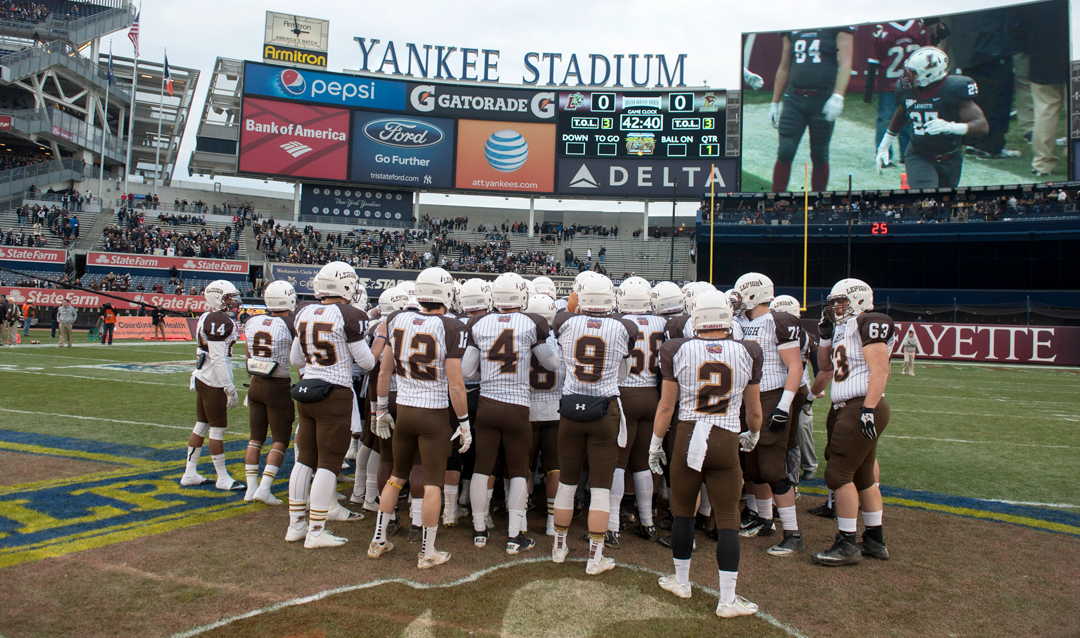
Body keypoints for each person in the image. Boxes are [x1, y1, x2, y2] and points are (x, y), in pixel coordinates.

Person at [649, 290, 763, 617]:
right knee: (727, 516)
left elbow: (667, 406)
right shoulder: (747, 351)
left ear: (695, 317)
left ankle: (681, 581)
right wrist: (753, 434)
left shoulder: (677, 348)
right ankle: (727, 598)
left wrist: (656, 444)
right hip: (725, 436)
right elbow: (754, 412)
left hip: (687, 435)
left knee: (683, 510)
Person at [368, 267, 471, 569]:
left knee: (396, 476)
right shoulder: (451, 326)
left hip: (404, 409)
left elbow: (384, 371)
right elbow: (455, 383)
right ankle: (427, 551)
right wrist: (464, 423)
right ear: (447, 293)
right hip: (434, 415)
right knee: (432, 484)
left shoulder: (396, 319)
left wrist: (381, 409)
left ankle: (378, 539)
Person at [462, 272, 557, 554]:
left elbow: (467, 371)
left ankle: (479, 530)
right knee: (518, 471)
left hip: (488, 405)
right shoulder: (532, 322)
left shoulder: (479, 323)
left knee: (482, 467)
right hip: (517, 406)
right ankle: (515, 536)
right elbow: (551, 364)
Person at [286, 263, 379, 549]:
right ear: (346, 286)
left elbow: (296, 360)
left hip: (307, 392)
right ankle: (316, 530)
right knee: (328, 463)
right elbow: (366, 363)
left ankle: (296, 526)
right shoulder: (350, 315)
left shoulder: (303, 313)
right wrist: (381, 343)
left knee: (304, 460)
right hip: (334, 393)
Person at [550, 273, 639, 575]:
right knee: (600, 488)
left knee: (566, 483)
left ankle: (559, 547)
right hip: (605, 411)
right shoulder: (624, 327)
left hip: (571, 410)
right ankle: (594, 557)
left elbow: (564, 318)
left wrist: (572, 308)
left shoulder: (565, 322)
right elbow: (624, 373)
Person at [810, 278, 895, 566]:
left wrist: (868, 409)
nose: (835, 307)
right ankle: (874, 540)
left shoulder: (869, 321)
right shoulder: (842, 328)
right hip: (847, 405)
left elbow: (881, 369)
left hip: (860, 405)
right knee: (863, 477)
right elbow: (824, 367)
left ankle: (846, 543)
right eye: (834, 302)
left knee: (838, 475)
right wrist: (824, 336)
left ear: (859, 300)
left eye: (841, 301)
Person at [732, 274, 806, 557]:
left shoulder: (778, 321)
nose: (737, 300)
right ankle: (765, 521)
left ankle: (793, 533)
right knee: (753, 467)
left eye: (740, 294)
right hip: (747, 397)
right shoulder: (741, 322)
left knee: (773, 468)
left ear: (752, 294)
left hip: (772, 395)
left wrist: (784, 406)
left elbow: (795, 368)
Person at [876, 47, 989, 189]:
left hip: (951, 156)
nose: (906, 76)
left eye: (912, 73)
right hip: (919, 154)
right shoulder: (906, 89)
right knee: (926, 197)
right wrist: (884, 145)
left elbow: (982, 126)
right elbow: (901, 114)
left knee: (944, 204)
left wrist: (951, 127)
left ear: (929, 74)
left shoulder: (952, 89)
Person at [609, 277, 668, 545]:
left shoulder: (618, 323)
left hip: (626, 393)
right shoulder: (662, 323)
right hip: (653, 395)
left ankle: (612, 525)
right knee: (644, 464)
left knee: (618, 463)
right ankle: (647, 522)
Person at [770, 26, 855, 192]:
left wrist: (838, 95)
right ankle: (776, 200)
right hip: (795, 98)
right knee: (785, 151)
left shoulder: (837, 23)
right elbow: (785, 65)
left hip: (822, 98)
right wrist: (774, 101)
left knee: (819, 152)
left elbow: (845, 62)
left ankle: (818, 202)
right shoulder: (792, 24)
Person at [181, 281, 245, 492]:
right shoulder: (218, 319)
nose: (234, 301)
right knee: (217, 430)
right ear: (218, 298)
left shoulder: (207, 316)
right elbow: (218, 358)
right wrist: (229, 386)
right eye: (229, 297)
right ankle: (222, 477)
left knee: (201, 425)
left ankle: (190, 473)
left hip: (202, 376)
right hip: (214, 380)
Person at [242, 281, 298, 505]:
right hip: (277, 384)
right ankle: (264, 488)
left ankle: (250, 488)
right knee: (280, 440)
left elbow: (248, 355)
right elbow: (297, 357)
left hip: (255, 382)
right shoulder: (289, 323)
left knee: (255, 439)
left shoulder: (252, 320)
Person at [865, 20, 929, 164]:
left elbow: (873, 61)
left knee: (895, 120)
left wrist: (868, 92)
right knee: (892, 119)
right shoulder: (917, 25)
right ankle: (897, 155)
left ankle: (897, 156)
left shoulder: (883, 28)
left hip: (894, 83)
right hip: (904, 85)